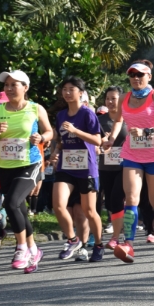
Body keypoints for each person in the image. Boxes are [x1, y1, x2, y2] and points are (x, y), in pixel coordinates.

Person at [103, 61, 154, 264]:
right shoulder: (125, 97)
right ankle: (128, 244)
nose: (136, 78)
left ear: (149, 77)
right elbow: (118, 120)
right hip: (132, 154)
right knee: (131, 197)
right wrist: (111, 138)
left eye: (140, 75)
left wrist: (147, 131)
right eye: (132, 75)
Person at [0, 70, 53, 274]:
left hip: (29, 165)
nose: (9, 88)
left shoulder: (35, 108)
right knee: (19, 209)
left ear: (25, 87)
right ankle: (33, 249)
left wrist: (41, 137)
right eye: (7, 85)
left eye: (14, 84)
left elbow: (50, 131)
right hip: (4, 167)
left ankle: (21, 248)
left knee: (11, 203)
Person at [49, 77, 105, 262]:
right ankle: (73, 240)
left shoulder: (88, 114)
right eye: (64, 89)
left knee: (89, 211)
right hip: (66, 166)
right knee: (58, 204)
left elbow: (97, 141)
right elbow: (61, 141)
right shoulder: (61, 115)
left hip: (86, 167)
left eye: (71, 89)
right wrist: (55, 153)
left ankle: (98, 244)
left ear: (81, 92)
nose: (66, 92)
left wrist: (76, 131)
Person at [98, 86, 128, 249]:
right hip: (105, 165)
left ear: (121, 100)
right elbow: (94, 140)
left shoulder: (128, 118)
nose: (109, 102)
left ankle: (119, 233)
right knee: (109, 200)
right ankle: (117, 225)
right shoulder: (99, 120)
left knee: (117, 197)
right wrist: (101, 142)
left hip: (124, 165)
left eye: (113, 98)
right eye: (107, 98)